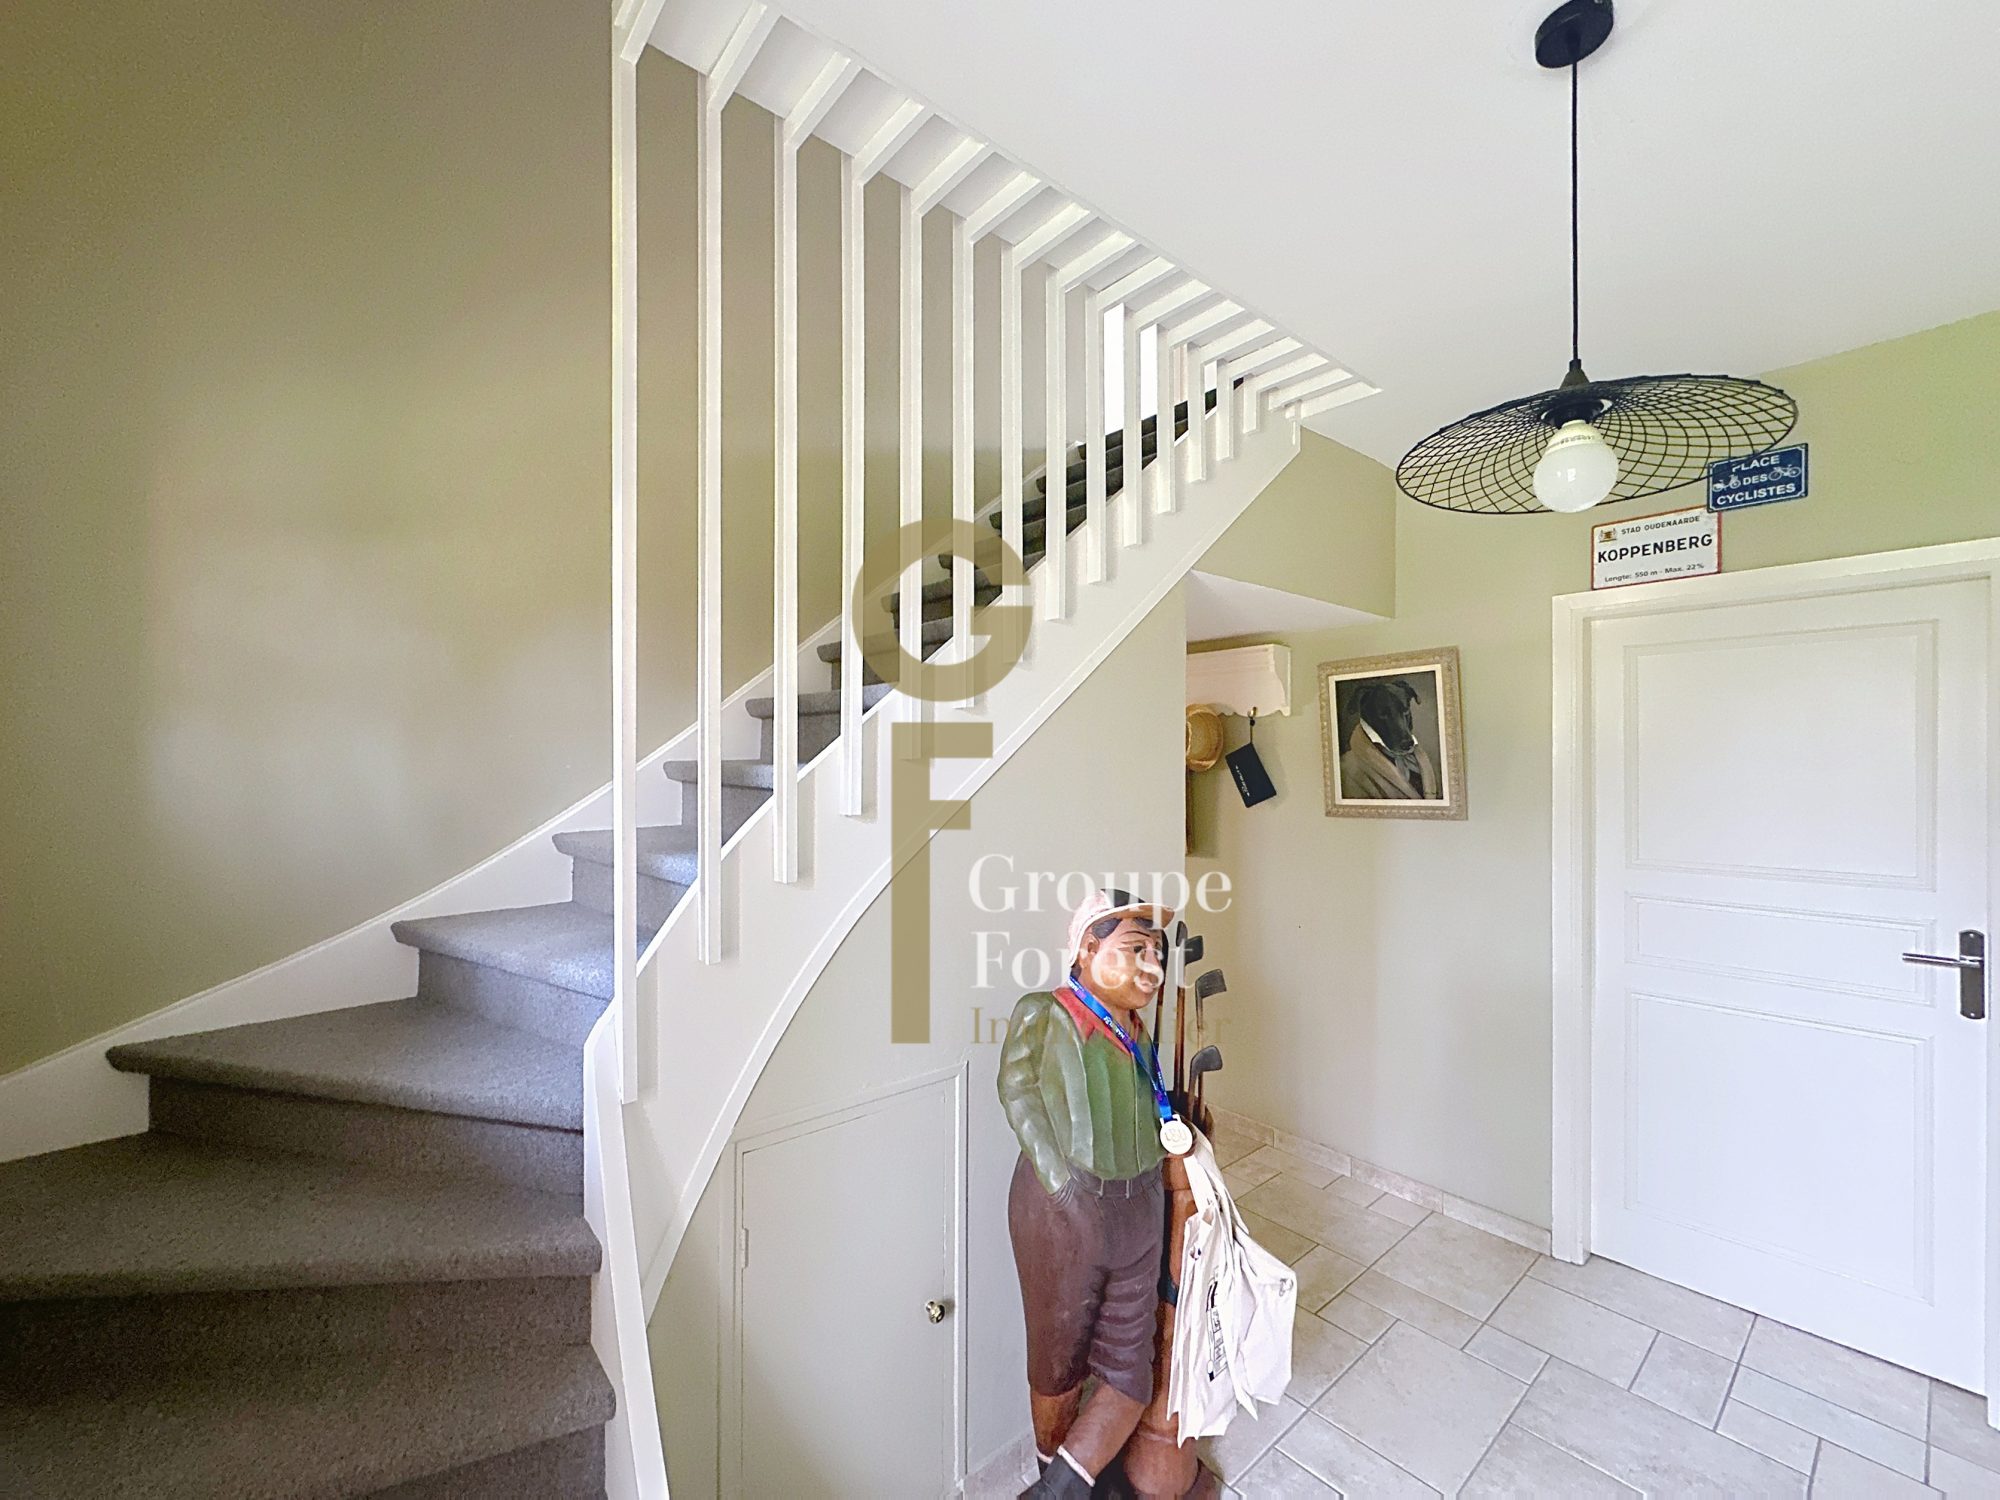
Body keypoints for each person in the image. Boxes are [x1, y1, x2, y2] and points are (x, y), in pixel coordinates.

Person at [997, 888, 1187, 1499]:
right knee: (1059, 1363)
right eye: (1135, 950)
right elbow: (1017, 1089)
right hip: (1064, 1212)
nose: (1152, 968)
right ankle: (1059, 1474)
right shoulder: (1045, 1013)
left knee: (1130, 1369)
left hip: (1140, 1207)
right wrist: (1061, 1185)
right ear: (1086, 949)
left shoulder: (1138, 1032)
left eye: (1157, 954)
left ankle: (1060, 1488)